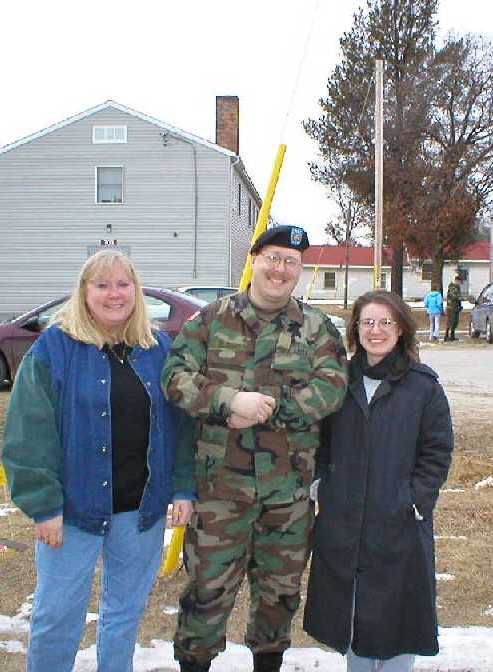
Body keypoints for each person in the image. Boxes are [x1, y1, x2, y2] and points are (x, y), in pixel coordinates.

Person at [162, 225, 349, 672]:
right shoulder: (211, 319)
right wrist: (227, 402)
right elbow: (174, 376)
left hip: (288, 495)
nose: (280, 270)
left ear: (299, 271)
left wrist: (264, 409)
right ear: (255, 261)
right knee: (206, 594)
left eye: (291, 262)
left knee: (279, 597)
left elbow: (332, 388)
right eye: (273, 258)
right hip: (219, 492)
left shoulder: (318, 328)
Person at [0, 249, 195, 672]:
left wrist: (182, 486)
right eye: (102, 285)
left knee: (123, 615)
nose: (114, 294)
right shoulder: (55, 348)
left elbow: (180, 425)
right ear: (84, 292)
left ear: (136, 291)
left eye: (123, 284)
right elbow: (27, 433)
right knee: (57, 618)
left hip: (140, 513)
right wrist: (43, 505)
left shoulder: (158, 348)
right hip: (71, 514)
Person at [303, 289, 454, 672]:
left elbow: (437, 451)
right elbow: (319, 439)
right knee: (353, 615)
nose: (376, 330)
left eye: (386, 322)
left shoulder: (423, 386)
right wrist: (323, 484)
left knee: (399, 615)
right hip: (344, 522)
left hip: (399, 522)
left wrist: (416, 501)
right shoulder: (338, 381)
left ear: (401, 328)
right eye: (368, 322)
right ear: (355, 329)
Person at [443, 274, 464, 341]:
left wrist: (460, 305)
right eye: (460, 282)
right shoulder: (452, 286)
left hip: (456, 307)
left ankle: (452, 336)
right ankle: (446, 336)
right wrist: (460, 298)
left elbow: (458, 297)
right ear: (457, 280)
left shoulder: (457, 287)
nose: (460, 283)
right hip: (451, 307)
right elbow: (453, 296)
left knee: (455, 322)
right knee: (450, 322)